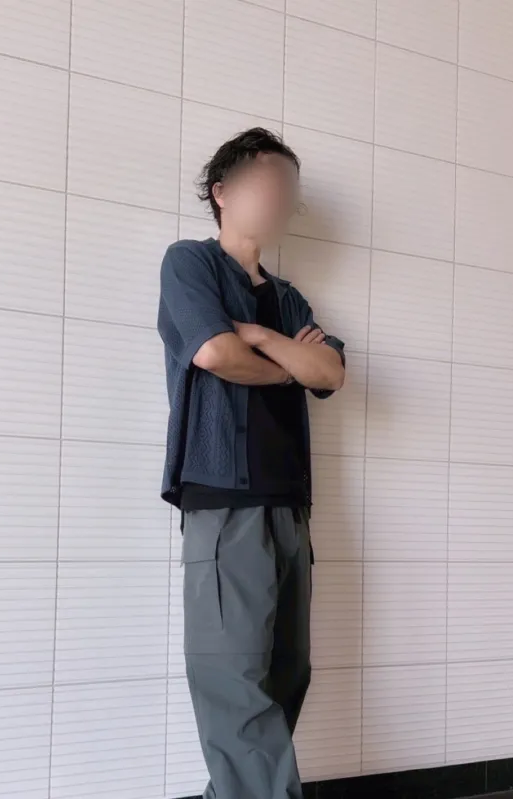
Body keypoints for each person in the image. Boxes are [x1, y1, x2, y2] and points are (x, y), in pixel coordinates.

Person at [157, 128, 345, 799]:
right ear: (222, 192)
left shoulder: (288, 300)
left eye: (288, 189)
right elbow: (214, 352)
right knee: (233, 680)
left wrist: (263, 336)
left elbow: (329, 372)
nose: (281, 198)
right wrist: (291, 362)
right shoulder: (189, 263)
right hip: (224, 504)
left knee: (286, 674)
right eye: (267, 182)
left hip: (290, 506)